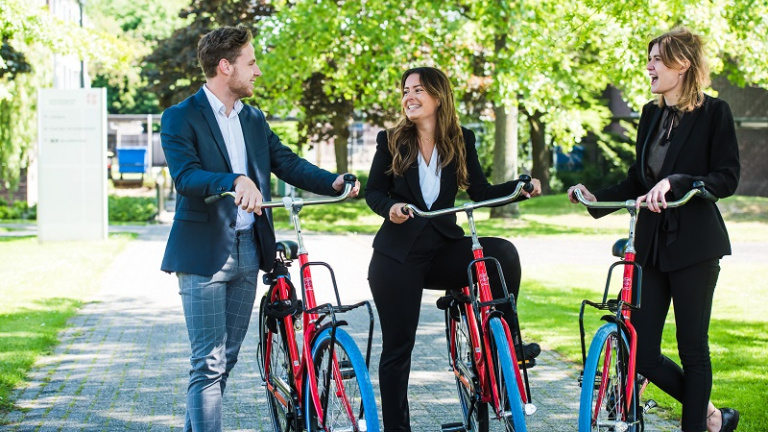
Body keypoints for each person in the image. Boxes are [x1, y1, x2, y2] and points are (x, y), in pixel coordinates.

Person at [159, 25, 359, 432]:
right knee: (208, 362)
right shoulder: (180, 117)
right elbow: (187, 177)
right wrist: (233, 180)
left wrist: (333, 181)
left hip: (250, 249)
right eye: (250, 63)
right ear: (224, 66)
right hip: (202, 255)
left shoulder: (252, 118)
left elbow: (286, 162)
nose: (258, 71)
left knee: (225, 358)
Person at [567, 27, 740, 432]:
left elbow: (726, 177)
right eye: (650, 59)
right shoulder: (650, 113)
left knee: (692, 350)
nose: (649, 66)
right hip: (651, 247)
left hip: (696, 245)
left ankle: (696, 426)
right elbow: (637, 181)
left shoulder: (716, 113)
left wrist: (679, 182)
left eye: (658, 59)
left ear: (683, 64)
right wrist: (595, 200)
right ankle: (712, 417)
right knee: (641, 354)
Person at [365, 66, 542, 431]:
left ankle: (505, 349)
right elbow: (373, 192)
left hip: (443, 248)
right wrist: (391, 208)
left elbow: (479, 190)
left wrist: (519, 186)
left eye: (417, 90)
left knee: (502, 253)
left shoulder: (461, 138)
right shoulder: (391, 139)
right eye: (405, 91)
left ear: (438, 96)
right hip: (396, 256)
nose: (408, 97)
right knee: (399, 348)